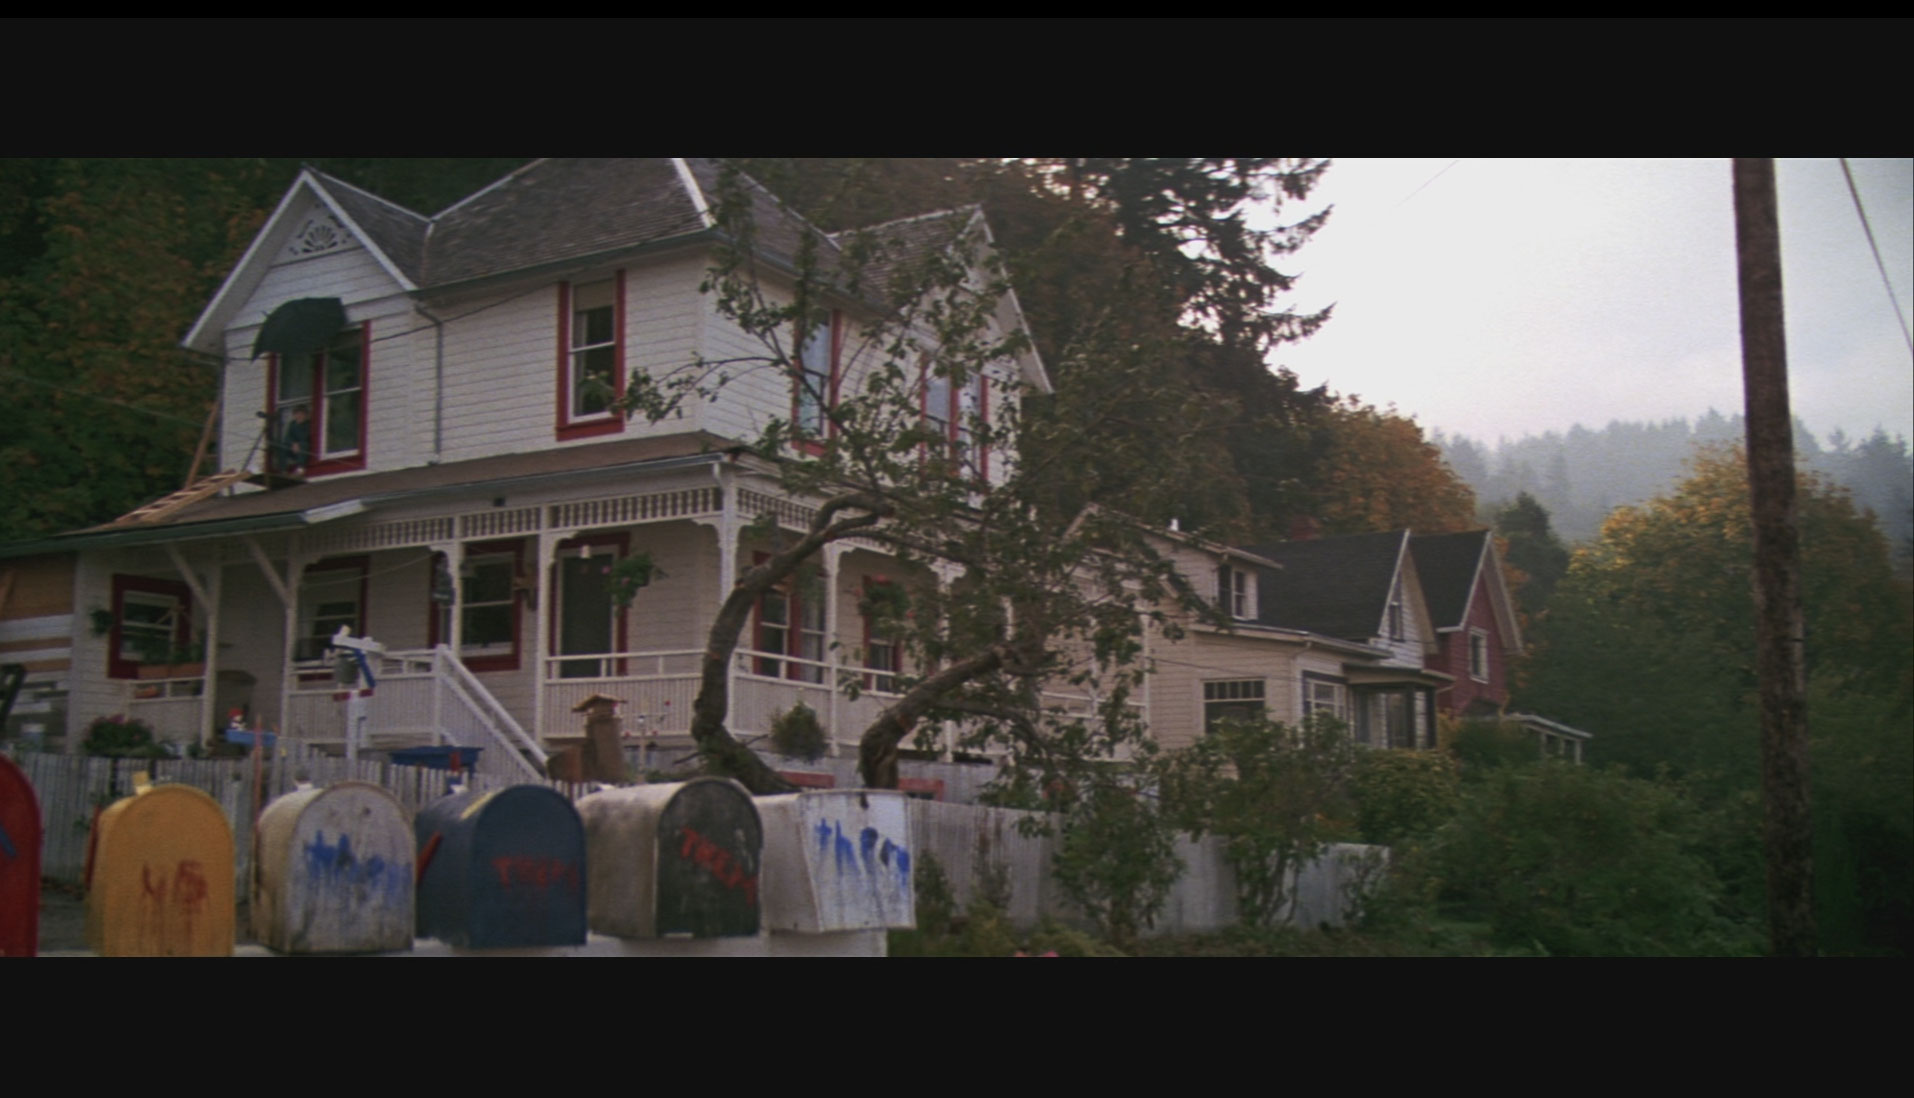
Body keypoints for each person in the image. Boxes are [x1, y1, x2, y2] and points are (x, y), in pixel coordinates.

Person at [279, 404, 311, 476]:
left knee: (303, 445)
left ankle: (300, 468)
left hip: (305, 450)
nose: (299, 416)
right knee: (283, 446)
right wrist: (293, 444)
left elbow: (305, 437)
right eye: (297, 414)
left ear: (306, 415)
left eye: (302, 414)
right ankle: (283, 470)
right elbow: (287, 438)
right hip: (294, 449)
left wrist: (298, 444)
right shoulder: (292, 424)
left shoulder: (308, 424)